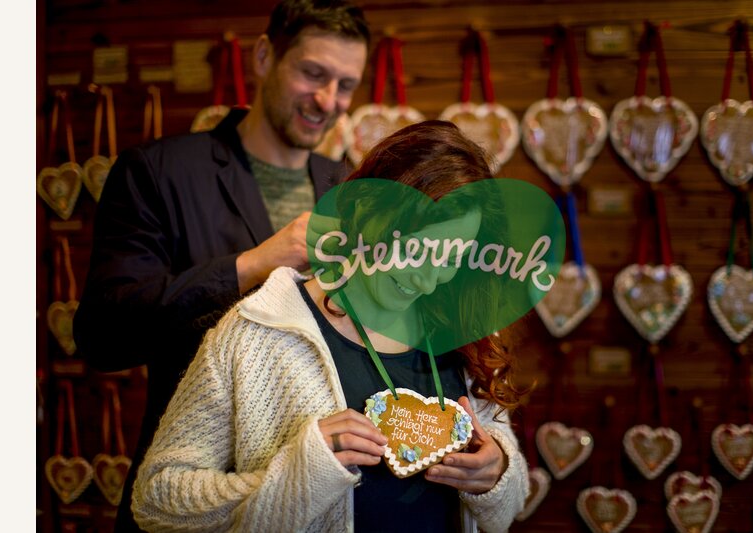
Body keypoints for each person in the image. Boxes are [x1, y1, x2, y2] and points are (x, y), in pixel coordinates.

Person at [130, 121, 530, 532]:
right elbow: (157, 501)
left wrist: (497, 472)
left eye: (450, 258)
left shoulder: (465, 329)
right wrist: (302, 472)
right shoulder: (257, 332)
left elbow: (510, 503)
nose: (427, 280)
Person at [73, 2, 370, 531]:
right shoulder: (159, 172)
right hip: (193, 496)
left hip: (323, 498)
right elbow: (102, 335)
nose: (328, 100)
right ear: (263, 57)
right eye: (313, 73)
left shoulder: (350, 188)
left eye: (345, 84)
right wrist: (258, 262)